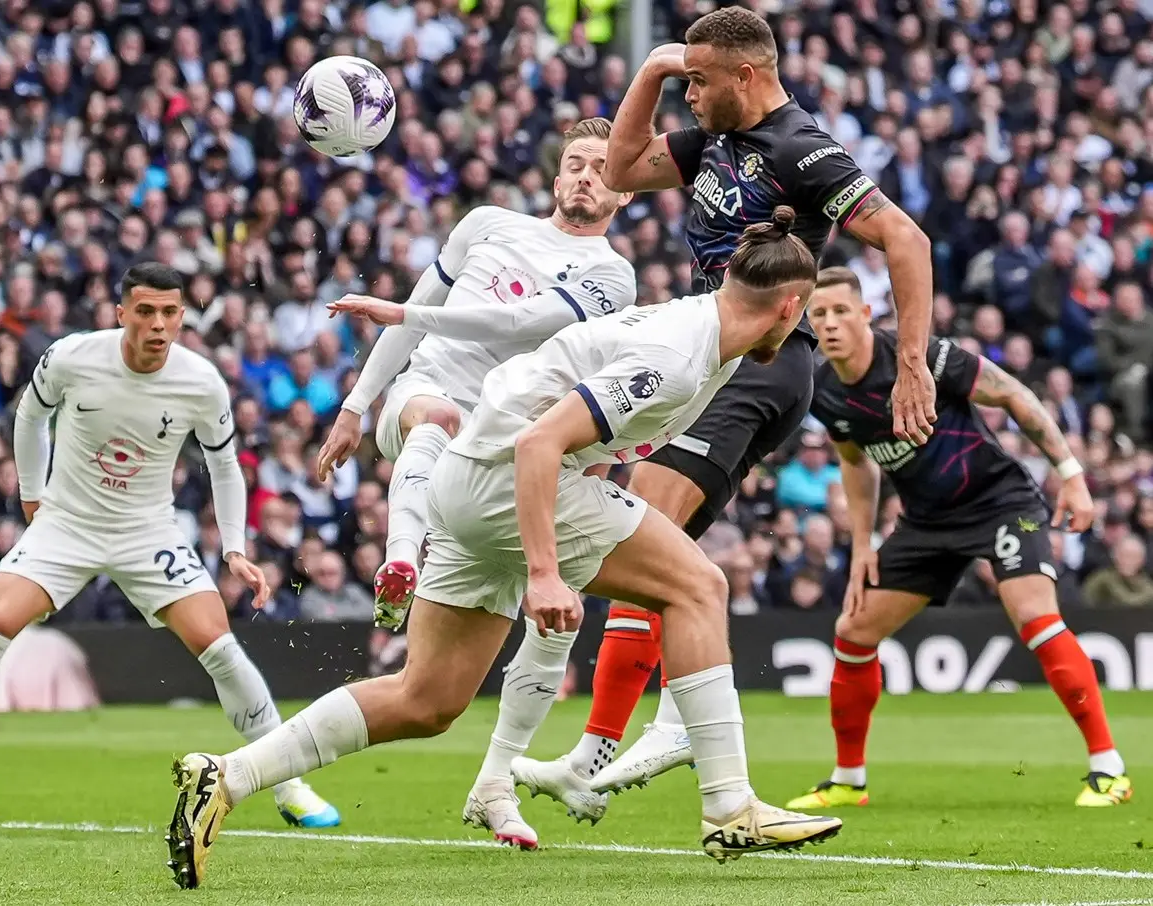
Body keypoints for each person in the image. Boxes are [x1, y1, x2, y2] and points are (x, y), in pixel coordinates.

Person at [163, 210, 841, 890]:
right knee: (697, 587)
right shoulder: (677, 354)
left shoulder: (700, 329)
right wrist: (544, 575)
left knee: (426, 699)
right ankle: (728, 805)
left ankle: (229, 774)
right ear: (791, 307)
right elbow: (539, 443)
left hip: (470, 482)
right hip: (503, 480)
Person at [509, 5, 939, 808]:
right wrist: (651, 70)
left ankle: (656, 726)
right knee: (651, 552)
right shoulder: (713, 139)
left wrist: (909, 363)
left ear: (747, 75)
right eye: (685, 80)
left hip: (761, 360)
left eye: (700, 81)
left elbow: (906, 242)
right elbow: (624, 170)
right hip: (711, 355)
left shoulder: (801, 149)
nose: (689, 94)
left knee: (647, 523)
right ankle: (605, 749)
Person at [0, 263, 339, 834]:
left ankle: (288, 783)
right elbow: (29, 417)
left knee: (220, 645)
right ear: (121, 314)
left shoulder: (202, 382)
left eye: (170, 312)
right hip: (66, 523)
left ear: (182, 316)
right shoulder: (72, 357)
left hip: (148, 530)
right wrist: (30, 494)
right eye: (145, 311)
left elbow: (224, 466)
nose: (158, 324)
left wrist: (236, 548)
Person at [782, 267, 1130, 810]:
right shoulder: (825, 392)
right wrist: (862, 547)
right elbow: (855, 461)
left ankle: (1108, 769)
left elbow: (1012, 393)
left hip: (1001, 504)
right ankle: (849, 780)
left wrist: (1072, 475)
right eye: (818, 314)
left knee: (1037, 620)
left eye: (841, 311)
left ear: (865, 314)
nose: (829, 324)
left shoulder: (922, 360)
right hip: (926, 523)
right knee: (853, 630)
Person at [315, 117, 636, 628]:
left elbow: (517, 322)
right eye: (575, 165)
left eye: (601, 169)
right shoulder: (487, 223)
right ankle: (399, 558)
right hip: (426, 392)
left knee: (432, 696)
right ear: (556, 182)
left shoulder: (614, 276)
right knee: (437, 416)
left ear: (625, 193)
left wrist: (403, 313)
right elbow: (415, 313)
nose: (586, 177)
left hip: (500, 442)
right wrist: (354, 408)